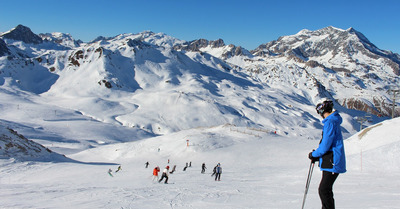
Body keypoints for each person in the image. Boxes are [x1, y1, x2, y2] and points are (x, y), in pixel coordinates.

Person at [308, 99, 346, 209]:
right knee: (326, 190)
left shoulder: (330, 122)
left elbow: (325, 145)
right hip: (331, 160)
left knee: (324, 190)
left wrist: (314, 154)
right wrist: (317, 155)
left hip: (332, 161)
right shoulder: (333, 121)